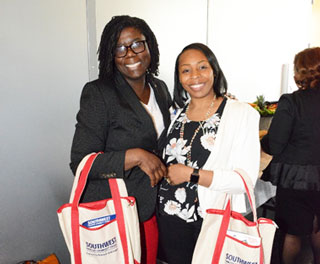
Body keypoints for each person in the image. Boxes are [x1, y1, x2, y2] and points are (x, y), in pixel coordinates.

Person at [69, 15, 172, 264]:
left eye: (137, 44)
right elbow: (80, 163)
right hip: (113, 212)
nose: (130, 54)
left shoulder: (160, 88)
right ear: (110, 55)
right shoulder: (98, 93)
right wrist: (134, 157)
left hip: (150, 206)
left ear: (150, 46)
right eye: (120, 48)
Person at [157, 43, 260, 264]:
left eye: (202, 67)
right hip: (170, 215)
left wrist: (190, 174)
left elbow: (245, 180)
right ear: (179, 77)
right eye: (186, 70)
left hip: (211, 217)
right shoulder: (176, 113)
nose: (195, 76)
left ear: (214, 70)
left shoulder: (241, 114)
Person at [261, 47, 320, 264]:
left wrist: (262, 140)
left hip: (295, 178)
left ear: (300, 72)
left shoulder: (291, 101)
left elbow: (275, 144)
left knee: (293, 233)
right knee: (318, 229)